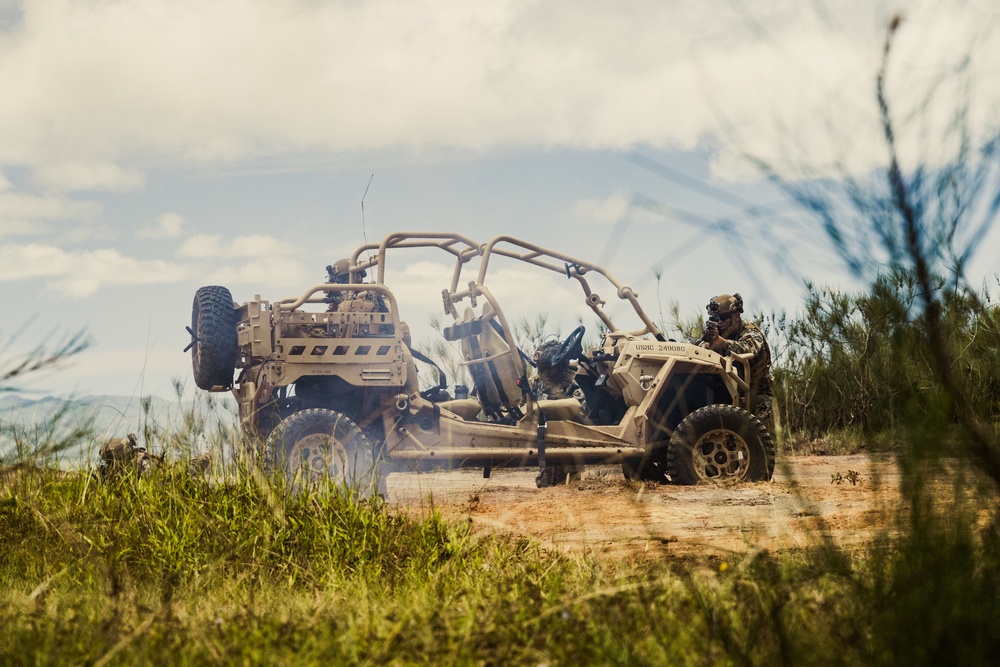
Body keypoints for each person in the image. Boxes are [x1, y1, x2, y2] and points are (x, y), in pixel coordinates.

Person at [699, 293, 774, 431]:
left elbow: (747, 350)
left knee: (756, 435)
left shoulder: (751, 332)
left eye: (723, 317)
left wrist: (719, 342)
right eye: (715, 318)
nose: (719, 322)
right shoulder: (718, 333)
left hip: (756, 393)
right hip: (729, 391)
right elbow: (698, 352)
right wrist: (707, 346)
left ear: (736, 315)